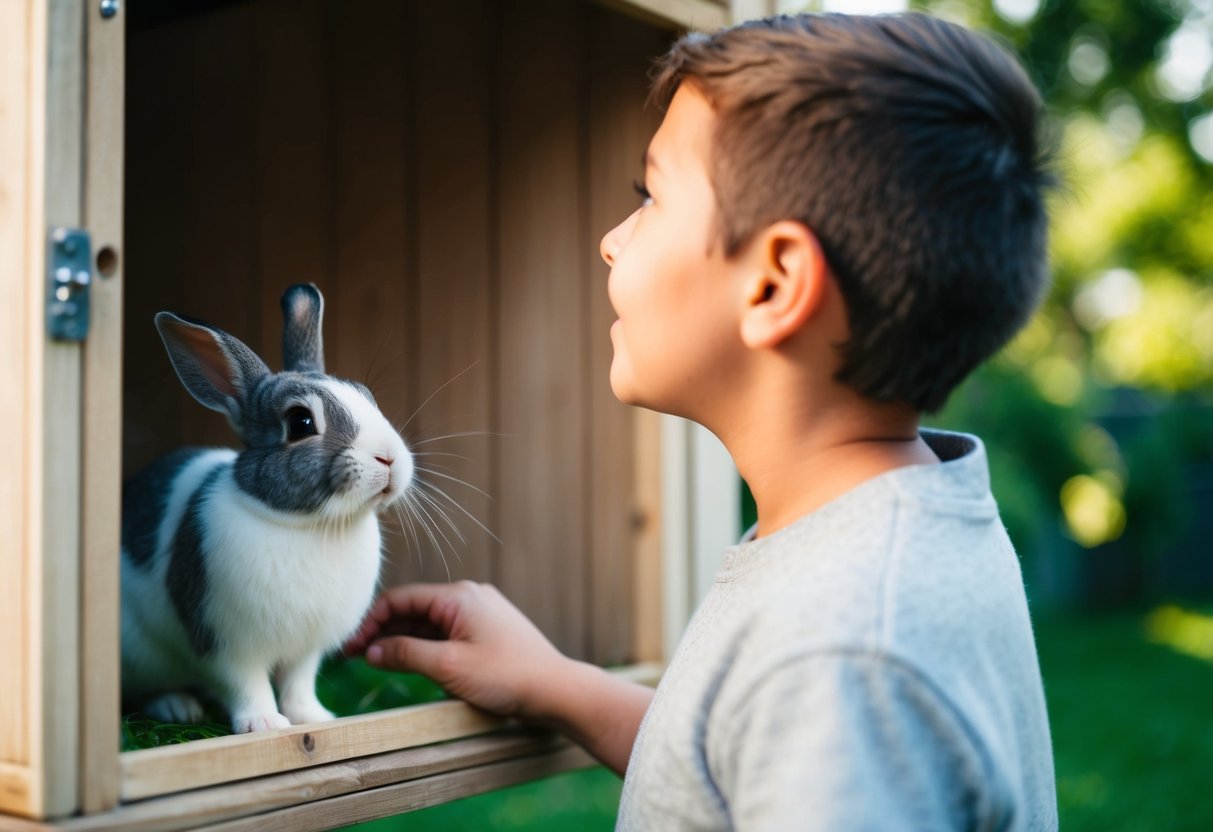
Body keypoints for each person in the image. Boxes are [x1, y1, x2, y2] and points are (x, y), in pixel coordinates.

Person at [344, 11, 1058, 830]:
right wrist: (556, 682)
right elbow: (748, 769)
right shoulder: (888, 530)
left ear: (774, 284)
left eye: (650, 196)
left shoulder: (845, 650)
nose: (612, 241)